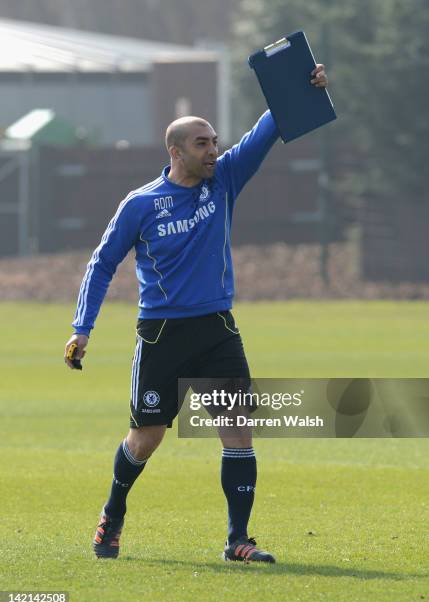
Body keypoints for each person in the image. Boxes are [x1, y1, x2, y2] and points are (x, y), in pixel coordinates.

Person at [64, 64, 328, 563]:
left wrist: (300, 84)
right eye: (202, 143)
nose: (213, 150)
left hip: (217, 330)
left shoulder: (223, 178)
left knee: (238, 431)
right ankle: (113, 514)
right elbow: (102, 264)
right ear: (176, 151)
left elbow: (265, 131)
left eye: (214, 141)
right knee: (146, 438)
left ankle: (238, 541)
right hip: (162, 335)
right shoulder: (140, 205)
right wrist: (83, 329)